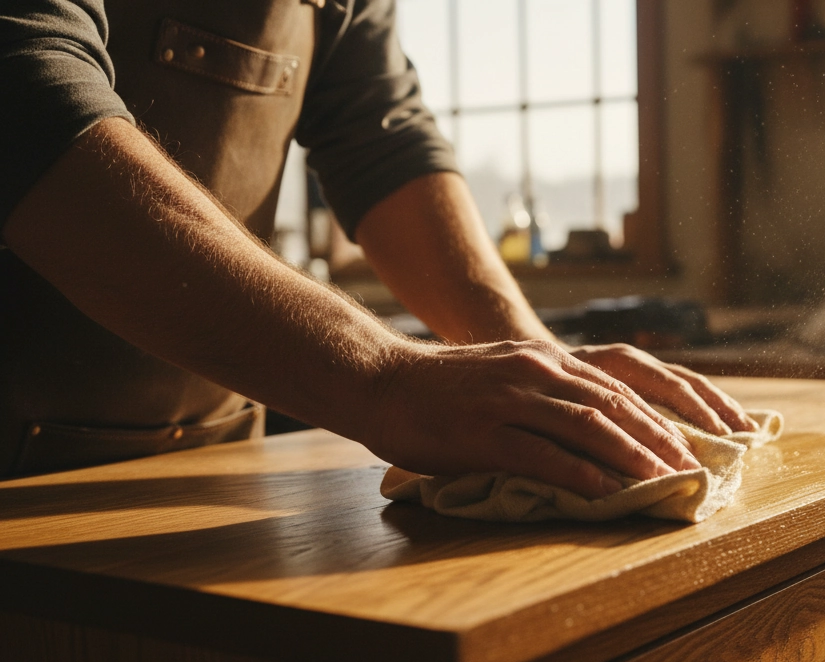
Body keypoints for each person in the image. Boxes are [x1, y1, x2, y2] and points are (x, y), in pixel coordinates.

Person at [0, 0, 755, 498]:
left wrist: (538, 364)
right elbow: (27, 99)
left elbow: (383, 143)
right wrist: (389, 378)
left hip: (206, 465)